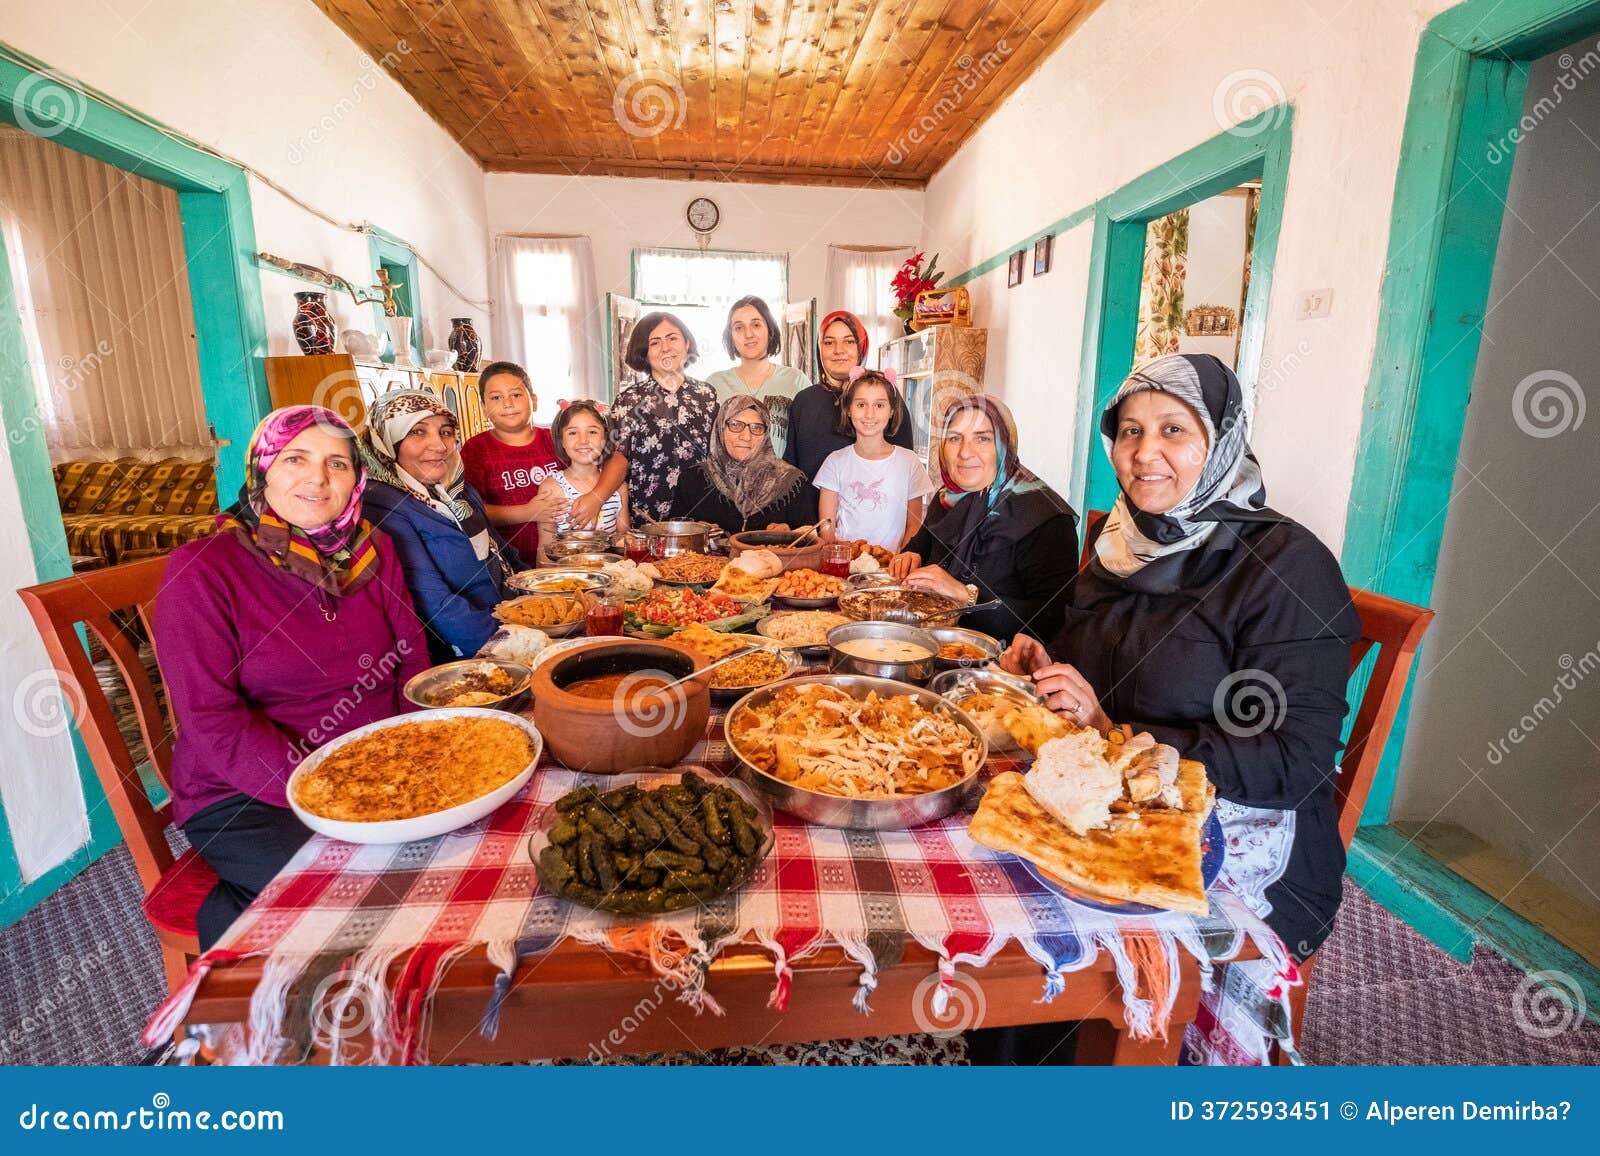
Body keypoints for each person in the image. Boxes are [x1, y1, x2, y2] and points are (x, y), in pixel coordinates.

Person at [1000, 353, 1359, 960]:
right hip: (1111, 802)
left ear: (1220, 441)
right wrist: (1049, 662)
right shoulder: (1122, 540)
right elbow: (1104, 656)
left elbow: (1295, 761)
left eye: (1173, 430)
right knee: (992, 859)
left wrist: (1119, 734)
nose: (1144, 453)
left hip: (1227, 833)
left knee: (1033, 919)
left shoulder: (1286, 566)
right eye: (1130, 431)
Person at [153, 405, 430, 949]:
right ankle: (243, 965)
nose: (318, 478)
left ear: (358, 477)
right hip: (246, 791)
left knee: (457, 852)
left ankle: (243, 908)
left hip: (379, 761)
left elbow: (411, 655)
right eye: (295, 458)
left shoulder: (373, 548)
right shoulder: (202, 570)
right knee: (365, 906)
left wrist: (414, 749)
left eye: (338, 463)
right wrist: (331, 795)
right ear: (262, 470)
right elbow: (212, 720)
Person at [887, 394, 1078, 644]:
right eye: (955, 438)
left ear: (1005, 445)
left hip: (997, 663)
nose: (965, 453)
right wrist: (910, 555)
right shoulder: (947, 498)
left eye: (983, 438)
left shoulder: (1046, 519)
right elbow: (922, 544)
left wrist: (964, 595)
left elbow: (1051, 622)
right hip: (929, 641)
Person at [360, 389, 526, 663]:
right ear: (387, 442)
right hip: (468, 652)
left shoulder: (457, 490)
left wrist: (544, 595)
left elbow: (503, 553)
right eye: (417, 432)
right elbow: (434, 604)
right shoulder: (384, 505)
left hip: (513, 618)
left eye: (446, 432)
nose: (439, 445)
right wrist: (516, 643)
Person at [569, 311, 718, 528]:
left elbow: (718, 454)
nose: (665, 347)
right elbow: (618, 457)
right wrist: (596, 497)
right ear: (644, 353)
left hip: (703, 513)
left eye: (672, 338)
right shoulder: (629, 400)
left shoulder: (707, 394)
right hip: (648, 514)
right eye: (655, 342)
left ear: (686, 344)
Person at [783, 310, 915, 482]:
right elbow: (791, 469)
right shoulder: (804, 401)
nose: (839, 350)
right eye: (829, 342)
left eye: (849, 341)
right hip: (810, 508)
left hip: (872, 504)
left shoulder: (885, 396)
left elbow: (904, 466)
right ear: (819, 349)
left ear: (861, 347)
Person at [815, 368, 935, 552]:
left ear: (891, 411)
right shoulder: (834, 462)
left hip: (891, 569)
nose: (869, 414)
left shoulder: (909, 462)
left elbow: (914, 525)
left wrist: (898, 562)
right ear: (848, 410)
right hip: (846, 567)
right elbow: (826, 526)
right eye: (861, 405)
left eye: (879, 405)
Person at [459, 361, 567, 560]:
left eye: (516, 395)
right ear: (483, 407)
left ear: (534, 401)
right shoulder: (475, 449)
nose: (507, 404)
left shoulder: (557, 439)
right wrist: (527, 512)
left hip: (566, 554)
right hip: (509, 560)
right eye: (496, 397)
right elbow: (469, 510)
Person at [673, 395, 816, 534]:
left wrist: (789, 534)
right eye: (735, 425)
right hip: (708, 558)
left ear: (766, 435)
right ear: (720, 429)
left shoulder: (791, 480)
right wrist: (694, 532)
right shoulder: (691, 480)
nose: (746, 436)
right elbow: (674, 536)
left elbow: (809, 537)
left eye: (756, 428)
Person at [704, 296, 810, 458]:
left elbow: (809, 441)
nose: (748, 334)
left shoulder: (795, 380)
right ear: (730, 336)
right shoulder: (715, 384)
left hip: (781, 481)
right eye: (739, 327)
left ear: (770, 330)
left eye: (756, 325)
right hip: (725, 481)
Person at [534, 399, 628, 552]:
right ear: (561, 441)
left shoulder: (619, 488)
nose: (583, 441)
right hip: (566, 574)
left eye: (592, 432)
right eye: (572, 433)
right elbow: (545, 547)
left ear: (605, 439)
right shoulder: (551, 488)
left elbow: (624, 541)